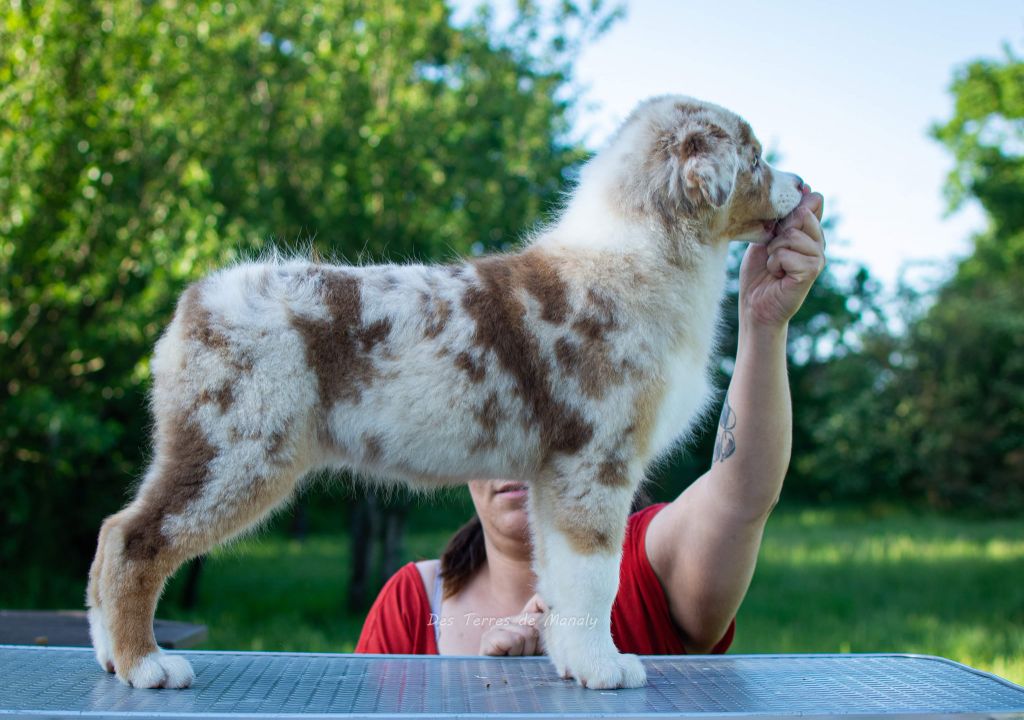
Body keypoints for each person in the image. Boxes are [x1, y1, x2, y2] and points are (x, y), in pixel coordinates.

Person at [356, 190, 826, 657]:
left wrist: (763, 324)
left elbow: (741, 493)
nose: (521, 452)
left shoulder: (648, 565)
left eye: (552, 417)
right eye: (501, 416)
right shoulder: (412, 603)